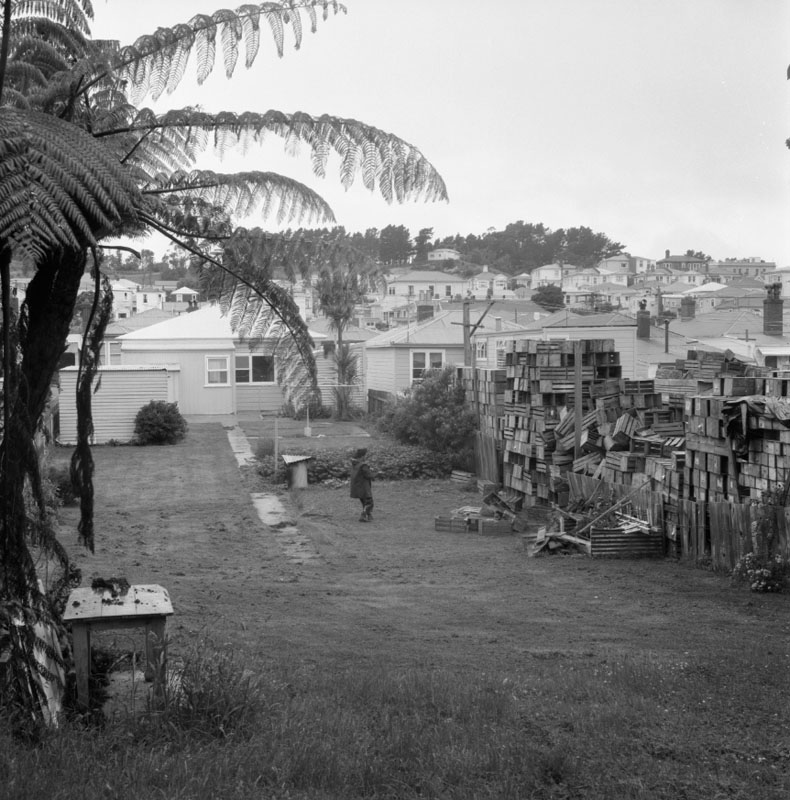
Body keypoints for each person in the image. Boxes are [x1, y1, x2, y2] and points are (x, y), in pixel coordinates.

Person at [349, 447, 374, 522]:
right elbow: (368, 475)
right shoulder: (363, 465)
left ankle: (369, 515)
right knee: (369, 502)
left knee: (364, 501)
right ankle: (363, 515)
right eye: (365, 455)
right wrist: (378, 473)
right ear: (362, 456)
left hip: (357, 486)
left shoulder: (354, 464)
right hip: (364, 487)